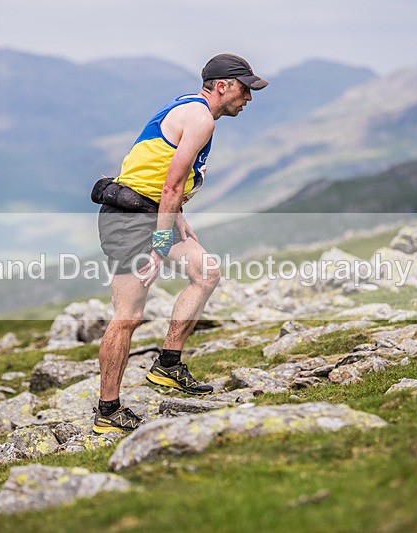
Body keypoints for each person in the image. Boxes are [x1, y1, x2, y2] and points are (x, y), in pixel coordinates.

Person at [92, 53, 269, 434]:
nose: (249, 98)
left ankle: (168, 364)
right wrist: (159, 246)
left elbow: (161, 172)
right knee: (128, 316)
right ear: (222, 86)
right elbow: (170, 183)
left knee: (206, 272)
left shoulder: (191, 110)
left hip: (153, 213)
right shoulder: (200, 118)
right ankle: (108, 412)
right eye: (245, 89)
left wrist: (176, 219)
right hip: (127, 221)